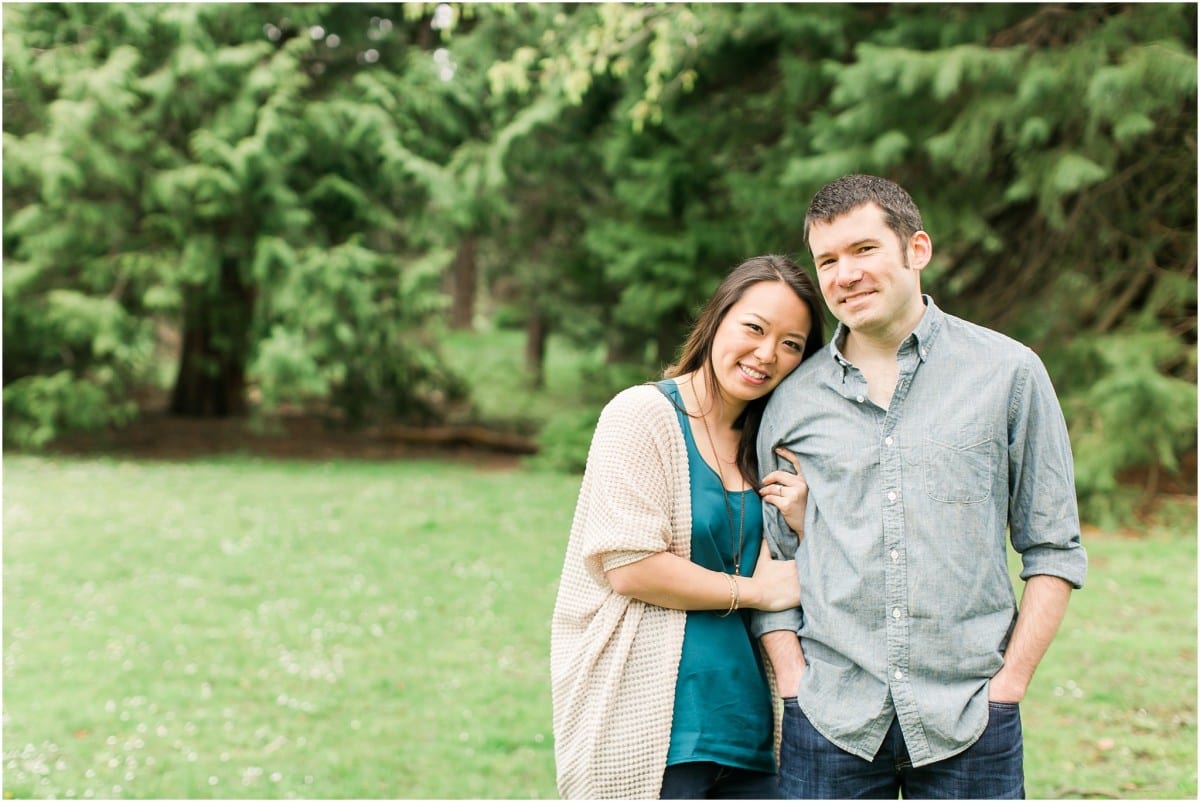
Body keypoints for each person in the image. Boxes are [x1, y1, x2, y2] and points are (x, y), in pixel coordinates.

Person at [752, 174, 1088, 799]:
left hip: (971, 719)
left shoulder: (1008, 374)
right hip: (830, 721)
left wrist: (1009, 685)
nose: (845, 275)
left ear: (917, 249)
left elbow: (1054, 549)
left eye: (864, 249)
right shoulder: (793, 401)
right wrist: (794, 683)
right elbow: (776, 556)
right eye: (827, 260)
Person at [551, 255, 826, 799]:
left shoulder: (774, 443)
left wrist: (805, 523)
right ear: (717, 318)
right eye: (754, 328)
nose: (767, 354)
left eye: (791, 344)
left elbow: (809, 578)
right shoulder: (642, 415)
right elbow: (630, 567)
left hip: (752, 730)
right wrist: (754, 592)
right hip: (654, 725)